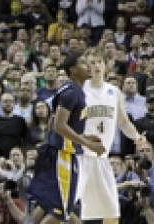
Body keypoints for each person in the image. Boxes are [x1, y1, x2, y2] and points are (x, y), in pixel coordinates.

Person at [27, 52, 106, 224]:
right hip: (61, 154)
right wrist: (88, 145)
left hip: (57, 150)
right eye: (84, 63)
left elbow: (57, 124)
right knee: (59, 211)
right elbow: (59, 126)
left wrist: (84, 137)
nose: (89, 66)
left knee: (49, 205)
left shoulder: (74, 90)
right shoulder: (71, 92)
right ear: (73, 70)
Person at [78, 49, 144, 223]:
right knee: (71, 208)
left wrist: (137, 137)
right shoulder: (80, 89)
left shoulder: (114, 92)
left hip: (102, 158)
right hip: (81, 156)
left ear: (105, 65)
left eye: (99, 62)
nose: (96, 66)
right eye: (92, 63)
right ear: (86, 67)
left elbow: (123, 122)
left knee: (111, 211)